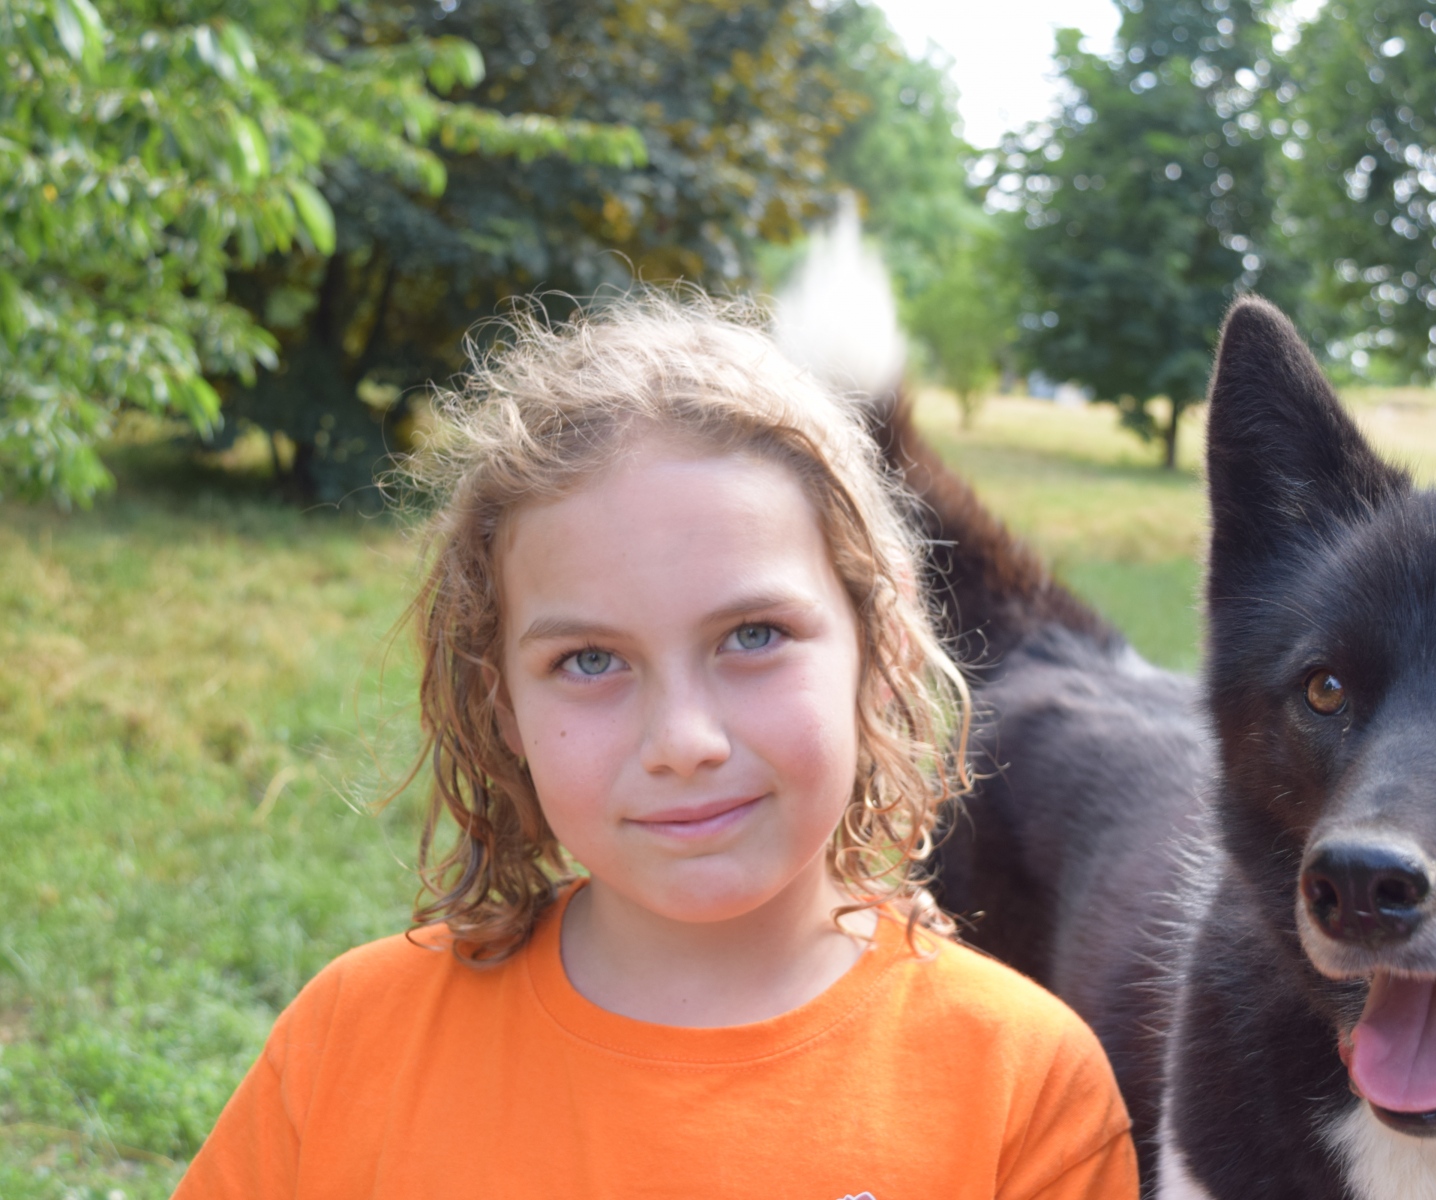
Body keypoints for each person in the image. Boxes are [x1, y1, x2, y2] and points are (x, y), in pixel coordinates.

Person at [172, 293, 1138, 1199]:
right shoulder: (351, 1043)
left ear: (880, 649)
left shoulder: (1023, 1086)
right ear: (501, 704)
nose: (683, 742)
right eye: (590, 660)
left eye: (752, 636)